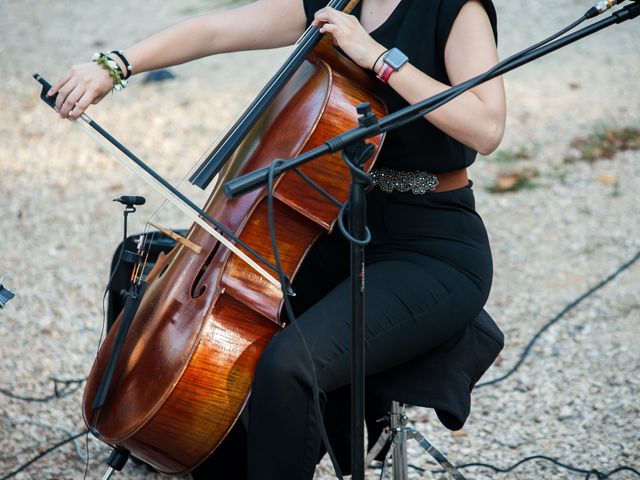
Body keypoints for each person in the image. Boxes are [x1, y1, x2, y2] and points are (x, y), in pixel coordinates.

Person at [51, 0, 506, 479]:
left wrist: (378, 58)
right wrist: (114, 65)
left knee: (290, 364)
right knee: (202, 336)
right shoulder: (339, 2)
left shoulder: (454, 8)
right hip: (332, 226)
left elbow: (486, 127)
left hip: (430, 247)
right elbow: (212, 31)